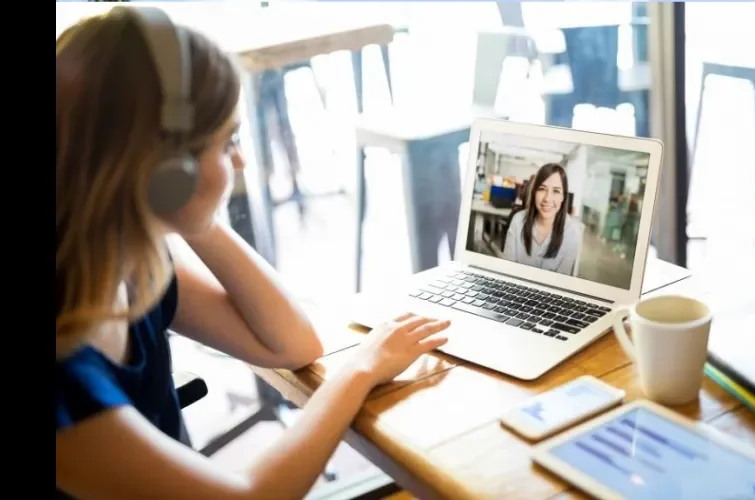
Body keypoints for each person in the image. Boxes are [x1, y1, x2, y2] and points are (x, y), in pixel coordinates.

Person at [56, 7, 450, 500]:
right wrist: (361, 370)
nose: (240, 162)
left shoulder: (131, 266)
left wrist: (192, 212)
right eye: (227, 142)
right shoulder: (66, 372)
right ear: (164, 168)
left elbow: (290, 343)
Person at [502, 163, 584, 275]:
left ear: (563, 197)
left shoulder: (572, 231)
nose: (547, 198)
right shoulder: (518, 221)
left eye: (556, 191)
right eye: (542, 189)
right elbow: (506, 269)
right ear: (534, 192)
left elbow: (563, 282)